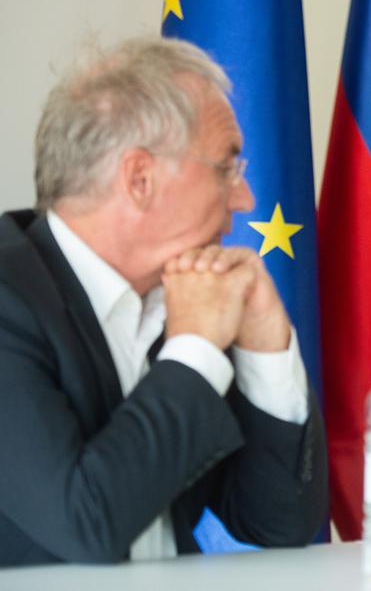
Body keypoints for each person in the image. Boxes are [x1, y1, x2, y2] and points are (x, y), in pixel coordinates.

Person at [0, 37, 327, 565]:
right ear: (140, 180)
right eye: (226, 169)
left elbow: (279, 522)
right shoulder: (9, 301)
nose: (246, 199)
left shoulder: (181, 294)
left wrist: (266, 347)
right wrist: (194, 349)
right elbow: (86, 524)